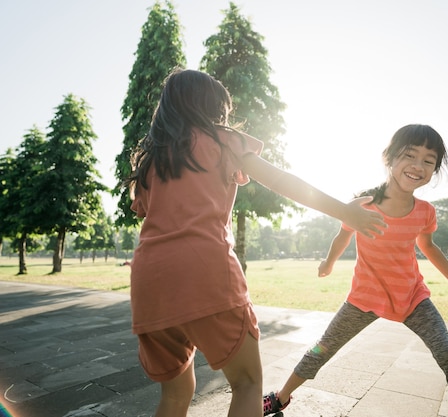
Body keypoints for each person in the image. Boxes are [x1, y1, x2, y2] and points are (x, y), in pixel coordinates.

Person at [125, 68, 387, 417]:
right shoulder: (222, 140)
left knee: (175, 393)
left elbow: (149, 212)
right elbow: (282, 181)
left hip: (149, 282)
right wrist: (344, 211)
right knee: (247, 382)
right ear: (208, 107)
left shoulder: (151, 162)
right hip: (204, 269)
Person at [263, 124, 448, 417]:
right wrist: (328, 262)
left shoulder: (425, 212)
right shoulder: (362, 206)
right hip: (364, 297)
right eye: (410, 155)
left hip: (412, 297)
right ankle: (281, 396)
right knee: (323, 348)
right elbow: (342, 236)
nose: (418, 166)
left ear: (434, 170)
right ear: (390, 158)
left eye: (428, 161)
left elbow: (428, 247)